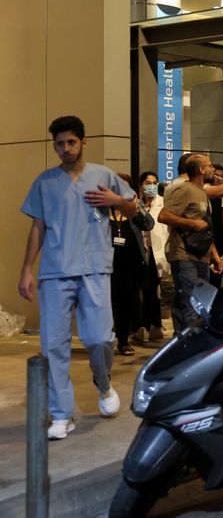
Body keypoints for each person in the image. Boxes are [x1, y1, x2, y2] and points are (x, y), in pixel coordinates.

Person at [19, 116, 136, 439]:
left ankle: (103, 381)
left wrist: (117, 202)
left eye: (71, 142)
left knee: (99, 338)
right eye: (60, 143)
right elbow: (37, 227)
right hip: (55, 272)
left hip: (95, 268)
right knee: (53, 345)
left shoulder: (104, 176)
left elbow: (133, 211)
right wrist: (27, 268)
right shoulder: (45, 182)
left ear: (83, 141)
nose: (65, 149)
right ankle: (61, 414)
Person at [158, 154, 223, 333]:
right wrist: (191, 223)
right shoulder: (184, 190)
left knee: (198, 301)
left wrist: (216, 256)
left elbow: (205, 229)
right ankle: (191, 346)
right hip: (184, 254)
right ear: (202, 170)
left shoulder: (202, 192)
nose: (213, 169)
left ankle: (182, 342)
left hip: (202, 255)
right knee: (189, 301)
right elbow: (163, 216)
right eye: (209, 166)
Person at [109, 173, 154, 356]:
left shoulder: (134, 209)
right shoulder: (102, 210)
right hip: (106, 264)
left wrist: (137, 207)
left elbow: (149, 224)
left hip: (131, 264)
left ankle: (123, 341)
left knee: (127, 302)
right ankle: (104, 339)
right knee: (107, 303)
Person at [133, 171, 168, 343]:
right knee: (145, 290)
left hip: (156, 252)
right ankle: (153, 326)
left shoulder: (163, 202)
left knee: (150, 289)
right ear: (141, 185)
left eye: (154, 182)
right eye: (148, 182)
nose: (152, 186)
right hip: (140, 251)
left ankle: (148, 326)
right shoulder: (136, 204)